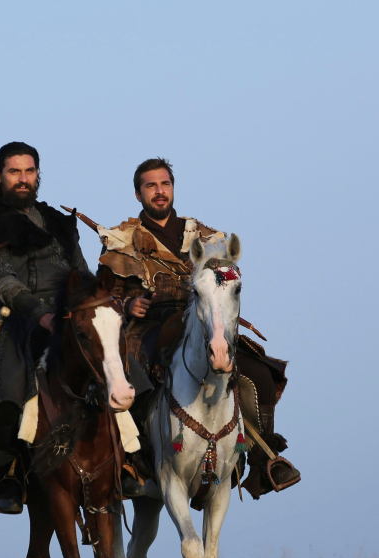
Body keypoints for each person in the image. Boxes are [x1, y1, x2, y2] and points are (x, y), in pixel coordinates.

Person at [97, 158, 300, 501]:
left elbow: (225, 284)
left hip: (203, 321)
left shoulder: (206, 236)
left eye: (165, 184)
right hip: (148, 328)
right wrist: (127, 304)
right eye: (151, 185)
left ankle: (263, 459)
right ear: (138, 193)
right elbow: (101, 298)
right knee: (131, 380)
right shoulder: (121, 239)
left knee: (261, 375)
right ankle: (131, 462)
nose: (159, 192)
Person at [0, 142, 89, 514]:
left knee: (119, 367)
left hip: (67, 317)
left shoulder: (60, 223)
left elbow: (81, 273)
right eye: (15, 172)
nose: (23, 179)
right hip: (15, 323)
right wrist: (39, 313)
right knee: (8, 397)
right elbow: (3, 282)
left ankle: (132, 458)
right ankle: (6, 476)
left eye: (29, 172)